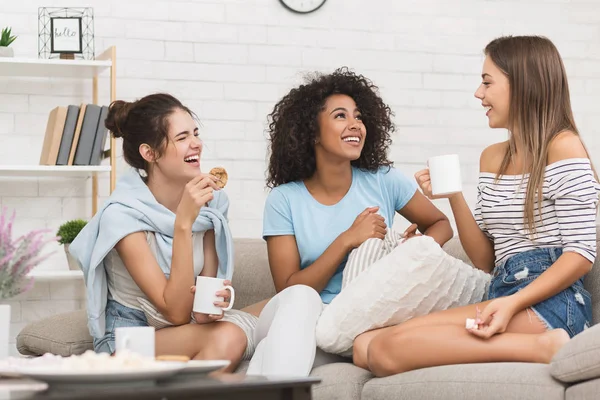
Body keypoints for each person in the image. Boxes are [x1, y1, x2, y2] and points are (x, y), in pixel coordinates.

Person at [356, 35, 599, 377]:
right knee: (365, 345)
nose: (478, 93)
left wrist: (512, 303)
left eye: (487, 82)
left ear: (524, 85)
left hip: (551, 304)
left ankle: (548, 346)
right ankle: (534, 346)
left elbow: (581, 253)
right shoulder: (492, 157)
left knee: (385, 350)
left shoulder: (564, 147)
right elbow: (486, 260)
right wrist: (453, 195)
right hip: (501, 289)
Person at [69, 93, 322, 376]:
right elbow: (174, 311)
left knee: (296, 300)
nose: (196, 144)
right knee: (229, 336)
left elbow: (199, 303)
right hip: (131, 340)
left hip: (185, 330)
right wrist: (183, 224)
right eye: (182, 137)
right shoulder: (122, 216)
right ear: (149, 153)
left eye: (196, 133)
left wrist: (209, 306)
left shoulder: (210, 205)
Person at [262, 67, 454, 363]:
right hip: (311, 314)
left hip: (371, 314)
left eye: (359, 116)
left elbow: (440, 224)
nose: (355, 125)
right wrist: (347, 240)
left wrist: (414, 251)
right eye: (341, 116)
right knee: (299, 301)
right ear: (310, 131)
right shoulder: (283, 200)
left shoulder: (383, 180)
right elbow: (288, 289)